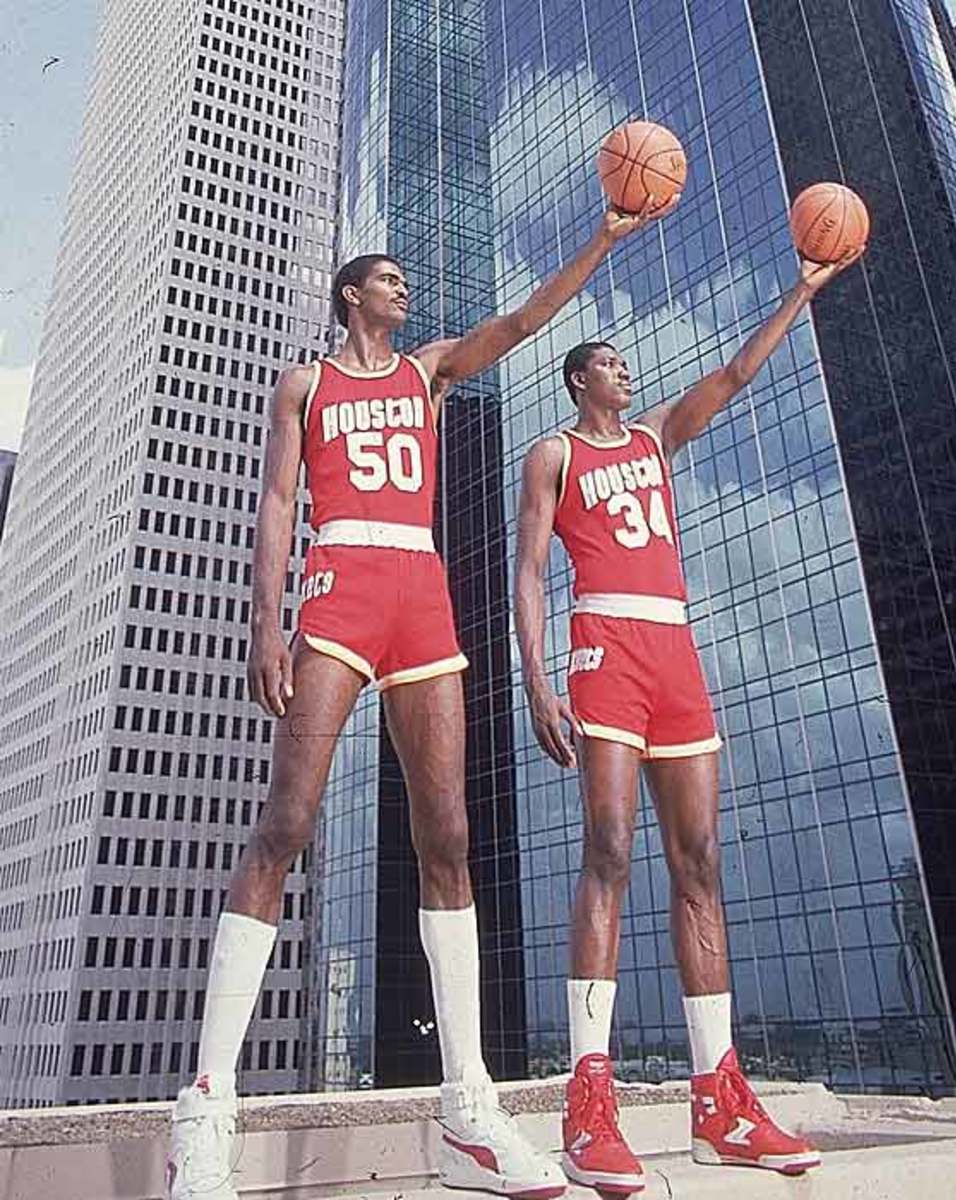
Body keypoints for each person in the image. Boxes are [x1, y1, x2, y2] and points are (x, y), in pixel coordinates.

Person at [166, 197, 676, 1200]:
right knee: (287, 822)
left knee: (447, 835)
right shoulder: (303, 383)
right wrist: (263, 623)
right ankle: (205, 1107)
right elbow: (279, 501)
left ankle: (468, 1112)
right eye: (387, 277)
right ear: (352, 294)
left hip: (420, 592)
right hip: (339, 586)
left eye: (405, 278)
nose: (403, 286)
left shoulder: (430, 369)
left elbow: (526, 322)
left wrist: (604, 237)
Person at [515, 249, 861, 1191]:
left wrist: (799, 286)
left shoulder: (657, 436)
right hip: (602, 646)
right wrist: (537, 677)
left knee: (699, 861)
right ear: (577, 377)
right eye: (610, 364)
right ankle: (590, 1101)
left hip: (674, 647)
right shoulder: (555, 452)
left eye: (628, 365)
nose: (626, 372)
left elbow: (740, 373)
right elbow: (533, 571)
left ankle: (720, 1094)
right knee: (609, 852)